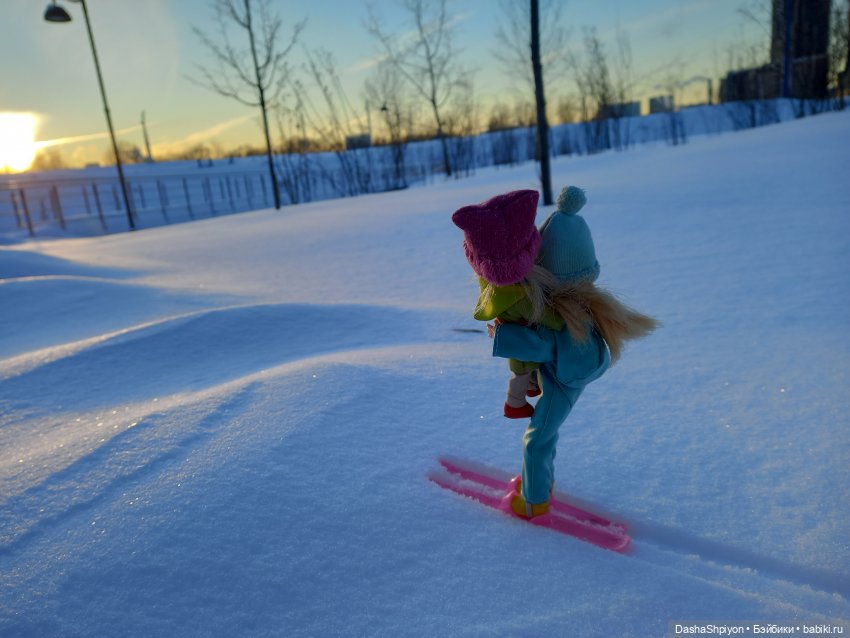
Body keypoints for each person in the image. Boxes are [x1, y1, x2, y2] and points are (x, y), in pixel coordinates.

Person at [452, 185, 658, 519]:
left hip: (565, 379)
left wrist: (501, 333)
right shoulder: (564, 306)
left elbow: (541, 344)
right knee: (545, 433)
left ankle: (534, 502)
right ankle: (540, 481)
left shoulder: (567, 318)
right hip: (558, 371)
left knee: (537, 438)